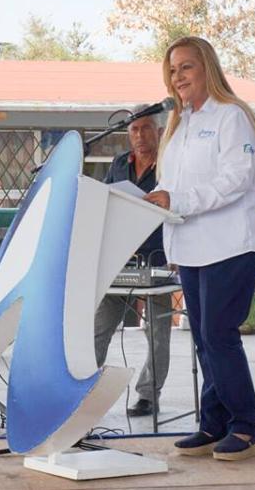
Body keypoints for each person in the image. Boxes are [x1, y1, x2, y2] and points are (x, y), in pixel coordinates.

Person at [144, 36, 255, 461]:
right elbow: (170, 187)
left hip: (230, 244)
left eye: (187, 67)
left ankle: (245, 426)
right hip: (192, 247)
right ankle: (212, 424)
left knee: (219, 336)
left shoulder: (232, 117)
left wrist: (177, 201)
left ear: (207, 68)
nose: (178, 77)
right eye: (173, 70)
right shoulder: (179, 126)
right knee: (203, 340)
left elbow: (234, 179)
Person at [93, 109, 172, 417]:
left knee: (158, 331)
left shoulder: (170, 165)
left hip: (160, 256)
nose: (139, 135)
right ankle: (83, 388)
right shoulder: (119, 164)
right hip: (121, 256)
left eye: (146, 128)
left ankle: (148, 395)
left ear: (159, 131)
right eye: (134, 130)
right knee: (100, 328)